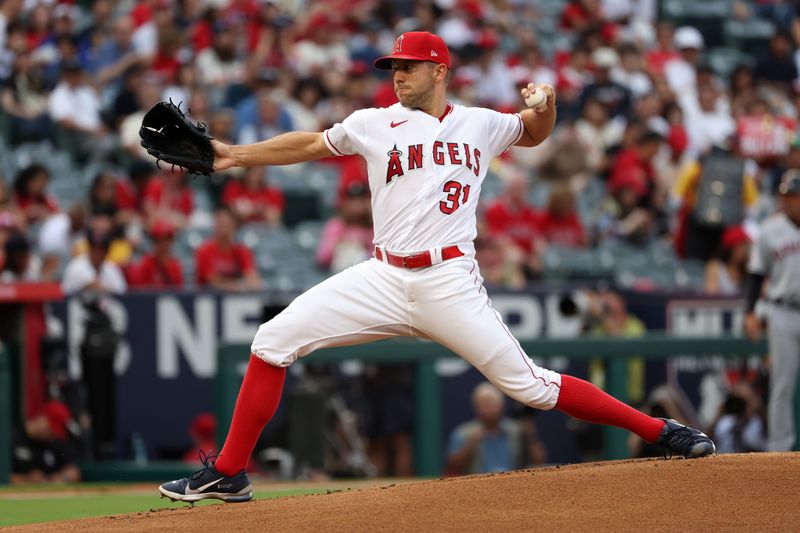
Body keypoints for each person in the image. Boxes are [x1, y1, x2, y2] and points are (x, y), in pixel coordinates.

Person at [158, 31, 715, 504]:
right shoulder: (374, 123)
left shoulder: (480, 123)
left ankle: (659, 430)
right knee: (271, 340)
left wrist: (545, 105)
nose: (398, 75)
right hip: (381, 275)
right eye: (393, 67)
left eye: (409, 66)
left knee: (531, 388)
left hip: (448, 280)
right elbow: (308, 144)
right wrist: (233, 155)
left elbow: (535, 131)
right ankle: (230, 473)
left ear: (439, 70)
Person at [744, 170, 800, 451]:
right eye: (786, 196)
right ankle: (780, 450)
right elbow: (755, 275)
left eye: (794, 196)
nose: (790, 202)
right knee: (782, 384)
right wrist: (750, 312)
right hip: (784, 312)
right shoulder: (769, 229)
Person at [446, 382, 539, 475]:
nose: (486, 410)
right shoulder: (463, 433)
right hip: (478, 486)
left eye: (490, 405)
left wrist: (530, 437)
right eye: (482, 405)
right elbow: (451, 466)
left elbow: (539, 461)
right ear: (475, 407)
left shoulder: (517, 431)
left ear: (501, 406)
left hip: (512, 483)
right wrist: (470, 444)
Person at [194, 207, 263, 292]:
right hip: (207, 297)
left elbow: (254, 280)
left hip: (234, 298)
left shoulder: (241, 250)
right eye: (220, 224)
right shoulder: (205, 250)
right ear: (215, 225)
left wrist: (249, 284)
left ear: (234, 225)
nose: (223, 229)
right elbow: (212, 281)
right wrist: (239, 285)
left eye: (226, 224)